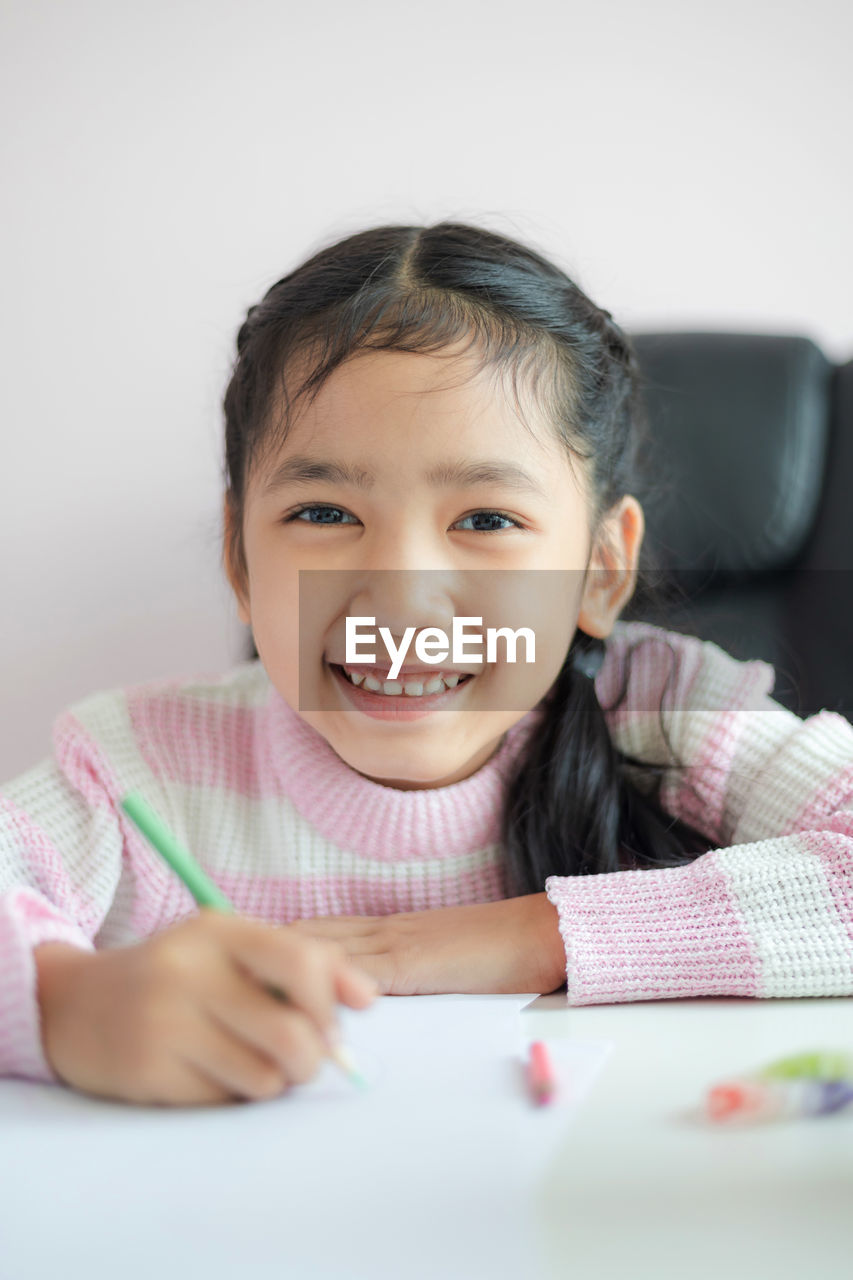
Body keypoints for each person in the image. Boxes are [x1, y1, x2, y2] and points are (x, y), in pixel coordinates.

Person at [2, 221, 852, 1109]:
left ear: (599, 569)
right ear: (238, 557)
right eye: (324, 514)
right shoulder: (140, 762)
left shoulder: (666, 710)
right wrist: (67, 1003)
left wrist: (537, 936)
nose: (402, 604)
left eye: (484, 521)